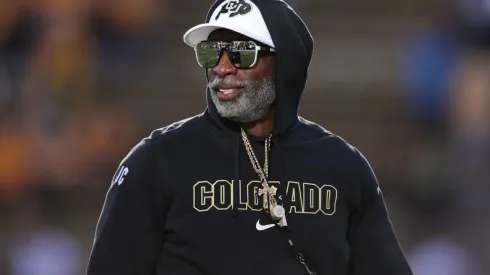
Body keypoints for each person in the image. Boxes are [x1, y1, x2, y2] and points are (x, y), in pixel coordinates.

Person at [86, 0, 413, 274]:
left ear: (284, 61)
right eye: (211, 52)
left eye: (242, 53)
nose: (222, 68)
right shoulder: (155, 161)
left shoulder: (343, 167)